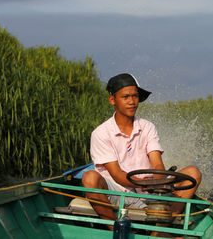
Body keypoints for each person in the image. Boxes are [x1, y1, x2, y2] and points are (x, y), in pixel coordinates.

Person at [82, 73, 201, 234]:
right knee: (89, 178)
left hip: (149, 192)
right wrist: (145, 184)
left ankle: (158, 232)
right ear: (112, 100)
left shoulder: (147, 127)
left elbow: (157, 163)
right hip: (117, 192)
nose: (132, 102)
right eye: (125, 97)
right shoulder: (101, 133)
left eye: (135, 96)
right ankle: (116, 230)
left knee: (193, 173)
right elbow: (117, 175)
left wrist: (159, 184)